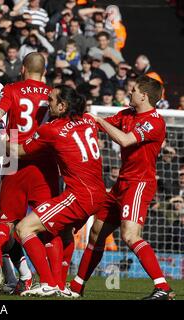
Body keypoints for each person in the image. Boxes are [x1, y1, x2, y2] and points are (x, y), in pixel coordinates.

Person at [70, 75, 176, 300]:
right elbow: (104, 124)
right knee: (96, 234)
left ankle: (163, 287)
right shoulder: (127, 114)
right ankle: (76, 288)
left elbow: (126, 140)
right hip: (121, 184)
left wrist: (99, 121)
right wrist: (80, 118)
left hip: (139, 185)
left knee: (130, 235)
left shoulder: (154, 121)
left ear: (144, 96)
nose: (130, 93)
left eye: (133, 90)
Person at [0, 52, 60, 295]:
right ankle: (54, 282)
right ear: (44, 70)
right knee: (49, 225)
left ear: (22, 69)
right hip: (45, 164)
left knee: (6, 220)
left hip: (13, 161)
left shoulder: (12, 89)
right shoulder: (53, 94)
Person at [9, 85, 106, 297]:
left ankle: (47, 282)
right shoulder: (89, 120)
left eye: (51, 100)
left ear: (62, 106)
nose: (47, 103)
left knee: (23, 228)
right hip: (99, 194)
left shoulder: (51, 129)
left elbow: (20, 150)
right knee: (64, 232)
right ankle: (61, 287)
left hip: (79, 196)